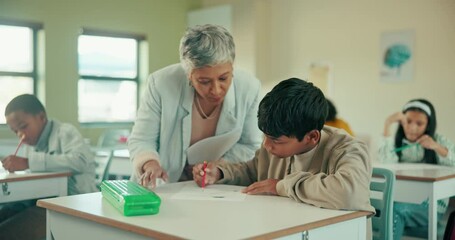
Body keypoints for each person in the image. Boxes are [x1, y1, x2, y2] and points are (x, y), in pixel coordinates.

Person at [193, 78, 374, 214]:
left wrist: (281, 186)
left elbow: (350, 193)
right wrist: (219, 173)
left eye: (276, 140)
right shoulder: (273, 148)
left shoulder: (347, 149)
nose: (266, 145)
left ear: (311, 137)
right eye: (264, 136)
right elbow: (251, 172)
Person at [128, 24, 262, 188]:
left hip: (216, 188)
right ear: (188, 75)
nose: (216, 90)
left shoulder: (249, 88)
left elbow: (249, 145)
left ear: (232, 67)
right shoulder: (161, 84)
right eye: (204, 81)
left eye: (223, 78)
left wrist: (218, 167)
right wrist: (150, 164)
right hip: (162, 186)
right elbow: (142, 139)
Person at [0, 94, 98, 239]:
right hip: (39, 201)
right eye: (15, 131)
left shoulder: (64, 132)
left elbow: (81, 161)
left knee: (6, 232)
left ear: (41, 116)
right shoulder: (30, 143)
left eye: (23, 126)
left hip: (73, 205)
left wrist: (28, 163)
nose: (21, 134)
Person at [378, 99, 455, 239]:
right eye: (408, 121)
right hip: (400, 200)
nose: (412, 128)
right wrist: (388, 123)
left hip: (430, 207)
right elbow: (386, 161)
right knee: (382, 209)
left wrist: (437, 147)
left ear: (428, 125)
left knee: (393, 210)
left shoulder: (438, 140)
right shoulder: (397, 141)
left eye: (419, 123)